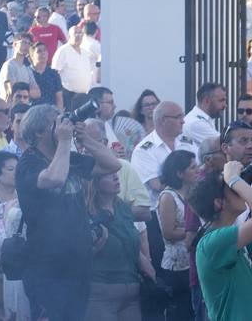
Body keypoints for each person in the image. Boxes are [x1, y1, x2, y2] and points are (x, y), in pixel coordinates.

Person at [16, 104, 121, 319]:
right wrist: (64, 141)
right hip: (47, 268)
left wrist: (86, 139)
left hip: (78, 263)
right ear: (39, 131)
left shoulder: (70, 158)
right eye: (57, 121)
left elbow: (112, 164)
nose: (64, 125)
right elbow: (54, 178)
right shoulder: (28, 162)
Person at [188, 160, 252, 320]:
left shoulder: (232, 239)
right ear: (218, 203)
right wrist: (233, 179)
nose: (238, 188)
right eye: (231, 187)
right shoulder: (212, 244)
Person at [87, 167, 155, 321]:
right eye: (107, 174)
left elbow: (129, 240)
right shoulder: (87, 213)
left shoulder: (123, 208)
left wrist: (147, 267)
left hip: (132, 292)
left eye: (115, 173)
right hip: (101, 293)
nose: (116, 177)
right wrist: (95, 248)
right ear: (94, 183)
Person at [157, 150, 202, 320]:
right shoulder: (168, 197)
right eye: (192, 167)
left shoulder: (193, 193)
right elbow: (168, 232)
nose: (198, 169)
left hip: (192, 262)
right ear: (179, 173)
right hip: (177, 267)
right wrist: (195, 230)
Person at [130, 101, 197, 194]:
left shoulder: (187, 142)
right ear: (163, 120)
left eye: (182, 116)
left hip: (188, 204)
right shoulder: (143, 151)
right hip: (158, 206)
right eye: (178, 117)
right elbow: (156, 186)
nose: (183, 121)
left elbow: (199, 170)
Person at [184, 81, 227, 146]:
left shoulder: (205, 119)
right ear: (206, 100)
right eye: (221, 100)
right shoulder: (196, 123)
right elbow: (226, 145)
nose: (225, 105)